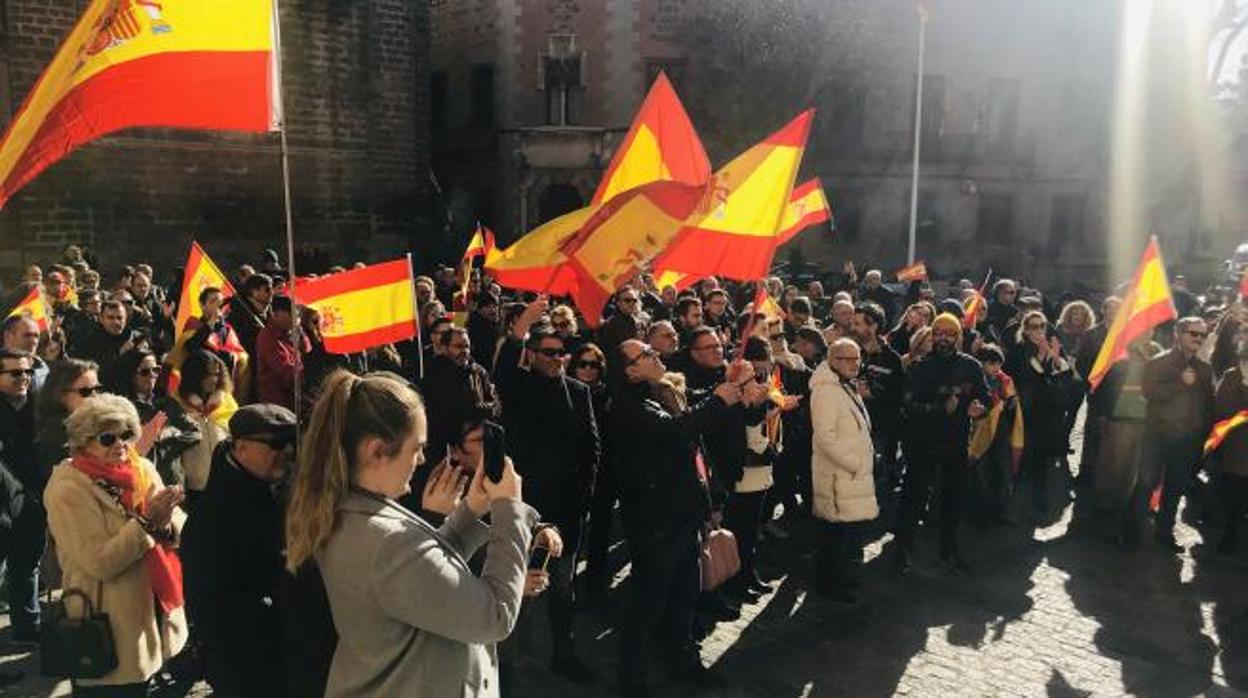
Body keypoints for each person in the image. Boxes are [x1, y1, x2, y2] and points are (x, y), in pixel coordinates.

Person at [284, 370, 535, 698]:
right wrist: (508, 508)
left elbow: (422, 576)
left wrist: (471, 509)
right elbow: (494, 616)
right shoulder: (386, 543)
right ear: (376, 451)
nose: (421, 459)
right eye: (416, 448)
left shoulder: (351, 506)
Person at [612, 338, 749, 695]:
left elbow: (695, 410)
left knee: (685, 596)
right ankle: (632, 679)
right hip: (657, 521)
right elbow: (677, 430)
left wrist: (729, 385)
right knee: (649, 602)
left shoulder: (660, 391)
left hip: (684, 514)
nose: (655, 355)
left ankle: (682, 659)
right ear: (629, 370)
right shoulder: (629, 405)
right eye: (645, 354)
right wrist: (719, 399)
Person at [44, 394, 187, 696]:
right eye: (108, 438)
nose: (120, 444)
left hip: (150, 614)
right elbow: (100, 562)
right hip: (105, 624)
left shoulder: (141, 468)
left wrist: (172, 519)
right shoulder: (68, 488)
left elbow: (176, 525)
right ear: (83, 442)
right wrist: (148, 522)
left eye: (127, 434)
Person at [493, 301, 600, 683]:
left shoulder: (578, 391)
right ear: (532, 355)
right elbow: (502, 367)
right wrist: (522, 324)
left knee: (563, 587)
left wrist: (586, 495)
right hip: (527, 506)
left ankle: (564, 652)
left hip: (568, 508)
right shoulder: (519, 386)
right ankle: (507, 663)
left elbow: (592, 446)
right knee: (516, 582)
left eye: (561, 353)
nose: (557, 359)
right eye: (549, 353)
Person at [182, 404, 297, 697]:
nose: (288, 451)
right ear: (241, 448)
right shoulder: (211, 515)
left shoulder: (289, 491)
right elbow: (209, 605)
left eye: (292, 442)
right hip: (244, 663)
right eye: (276, 444)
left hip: (291, 653)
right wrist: (277, 602)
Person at [895, 313, 989, 574]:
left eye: (949, 333)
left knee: (952, 500)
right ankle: (903, 549)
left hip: (956, 444)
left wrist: (979, 409)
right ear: (932, 335)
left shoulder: (971, 366)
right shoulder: (920, 366)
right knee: (912, 499)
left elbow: (985, 397)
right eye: (939, 333)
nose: (943, 338)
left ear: (958, 336)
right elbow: (909, 403)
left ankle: (949, 548)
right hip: (921, 443)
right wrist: (940, 408)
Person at [810, 338, 878, 602]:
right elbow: (826, 438)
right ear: (833, 360)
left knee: (839, 535)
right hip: (839, 476)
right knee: (832, 536)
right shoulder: (826, 391)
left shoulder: (844, 385)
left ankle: (835, 579)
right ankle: (827, 583)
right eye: (848, 359)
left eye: (857, 358)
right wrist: (856, 464)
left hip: (848, 475)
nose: (855, 363)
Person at [1143, 316, 1216, 552]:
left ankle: (1164, 533)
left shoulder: (1204, 369)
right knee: (1145, 484)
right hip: (1157, 435)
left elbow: (1208, 405)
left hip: (1187, 440)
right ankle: (1133, 530)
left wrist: (1201, 438)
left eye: (1202, 335)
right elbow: (1149, 394)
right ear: (1178, 333)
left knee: (1174, 489)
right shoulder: (1158, 362)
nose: (1198, 339)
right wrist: (1179, 383)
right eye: (1193, 333)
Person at [105, 349, 200, 488]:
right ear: (130, 374)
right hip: (141, 481)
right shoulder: (122, 408)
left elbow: (195, 432)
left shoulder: (168, 403)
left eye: (155, 370)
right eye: (144, 372)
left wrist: (166, 443)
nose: (151, 376)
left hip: (173, 479)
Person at [169, 351, 239, 503]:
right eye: (209, 374)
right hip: (192, 485)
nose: (214, 379)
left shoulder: (227, 401)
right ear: (195, 375)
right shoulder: (176, 404)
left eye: (217, 374)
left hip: (225, 482)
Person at [1212, 344, 1248, 555]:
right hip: (1236, 450)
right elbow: (1224, 410)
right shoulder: (1232, 378)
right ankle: (1230, 535)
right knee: (1234, 498)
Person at [255, 295, 304, 411]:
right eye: (292, 314)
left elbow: (305, 354)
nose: (296, 319)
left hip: (295, 399)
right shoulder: (268, 337)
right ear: (276, 314)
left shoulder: (289, 333)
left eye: (297, 315)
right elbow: (285, 371)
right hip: (277, 403)